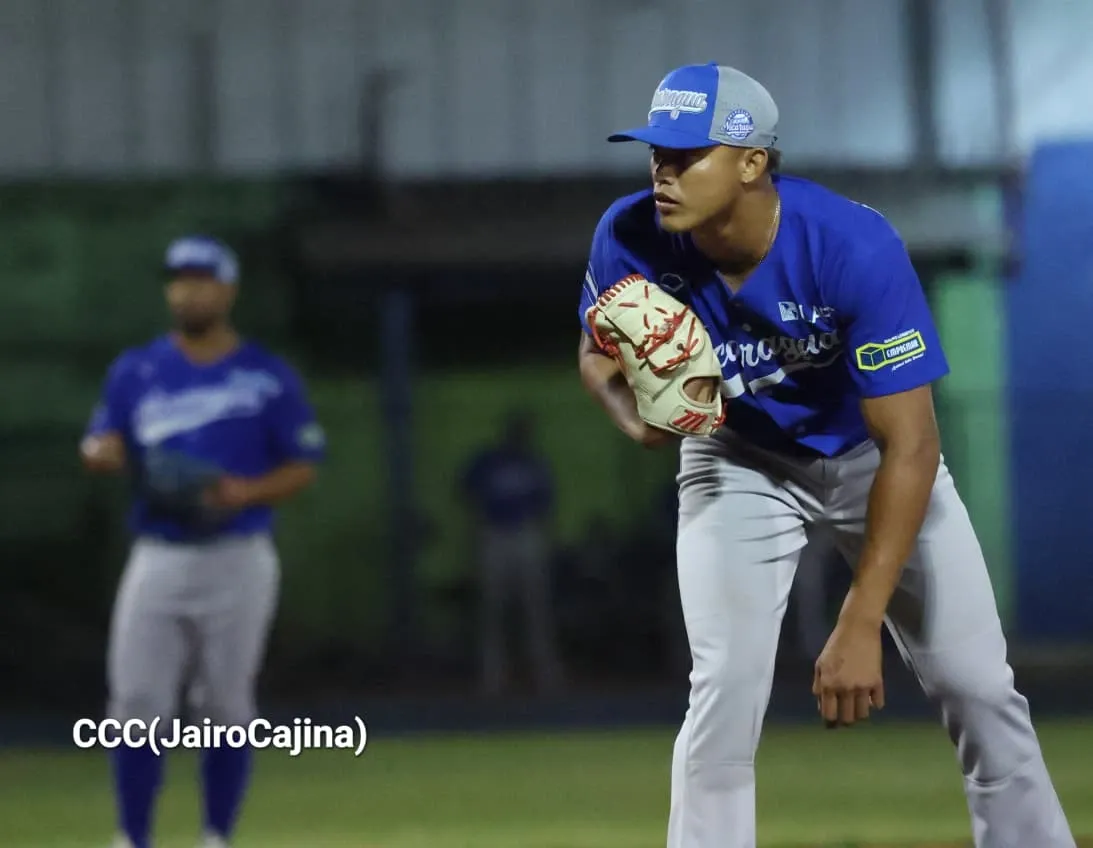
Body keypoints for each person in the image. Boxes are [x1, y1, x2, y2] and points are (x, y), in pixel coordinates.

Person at [576, 63, 1075, 847]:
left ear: (752, 162)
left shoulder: (850, 245)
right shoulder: (628, 234)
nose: (662, 173)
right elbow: (595, 352)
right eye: (656, 154)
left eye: (687, 155)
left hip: (871, 458)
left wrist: (860, 618)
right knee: (723, 689)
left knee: (977, 684)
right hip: (736, 457)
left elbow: (910, 443)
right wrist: (635, 420)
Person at [80, 235, 326, 848]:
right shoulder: (136, 370)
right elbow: (101, 440)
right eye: (179, 280)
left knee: (225, 706)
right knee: (136, 702)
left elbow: (304, 462)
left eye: (201, 279)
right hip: (159, 552)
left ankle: (216, 836)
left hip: (237, 554)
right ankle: (132, 837)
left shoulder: (265, 376)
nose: (188, 291)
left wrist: (246, 491)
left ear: (228, 290)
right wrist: (102, 452)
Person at [460, 411, 562, 695]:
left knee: (536, 607)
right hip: (495, 535)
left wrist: (548, 539)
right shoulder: (489, 460)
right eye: (518, 429)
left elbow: (546, 506)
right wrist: (475, 532)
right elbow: (468, 494)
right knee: (493, 609)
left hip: (527, 535)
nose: (520, 435)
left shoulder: (534, 462)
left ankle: (544, 673)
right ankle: (493, 675)